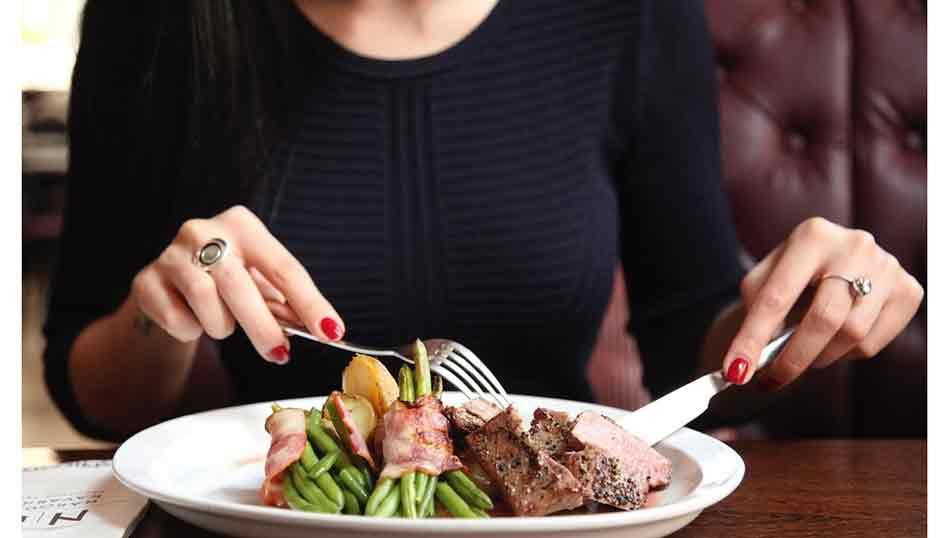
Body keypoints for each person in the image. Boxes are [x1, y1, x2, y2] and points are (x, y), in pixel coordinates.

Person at [44, 0, 923, 440]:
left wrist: (799, 312)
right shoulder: (151, 18)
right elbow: (88, 394)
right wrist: (166, 317)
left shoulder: (630, 13)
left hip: (559, 514)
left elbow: (689, 334)